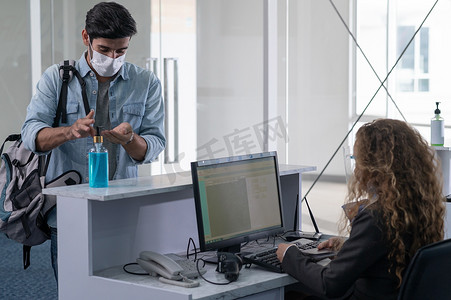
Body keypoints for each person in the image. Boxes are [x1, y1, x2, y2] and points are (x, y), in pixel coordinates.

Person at [21, 2, 165, 280]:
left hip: (121, 208)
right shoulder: (57, 78)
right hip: (68, 211)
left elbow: (155, 143)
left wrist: (130, 139)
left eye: (121, 51)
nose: (113, 57)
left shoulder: (146, 82)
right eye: (104, 50)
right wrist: (69, 131)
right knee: (73, 287)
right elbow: (30, 135)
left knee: (123, 286)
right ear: (86, 37)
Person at [276, 119, 445, 300]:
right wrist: (350, 246)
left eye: (358, 160)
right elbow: (384, 253)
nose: (356, 170)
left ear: (377, 167)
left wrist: (289, 255)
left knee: (291, 296)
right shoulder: (418, 206)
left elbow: (330, 285)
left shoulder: (376, 217)